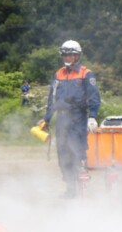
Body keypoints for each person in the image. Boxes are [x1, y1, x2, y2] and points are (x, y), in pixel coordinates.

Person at [39, 40, 101, 198]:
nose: (67, 57)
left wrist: (92, 116)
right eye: (65, 54)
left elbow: (94, 97)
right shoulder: (58, 74)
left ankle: (82, 186)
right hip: (61, 121)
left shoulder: (86, 73)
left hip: (78, 119)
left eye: (70, 54)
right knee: (63, 154)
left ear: (77, 55)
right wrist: (46, 119)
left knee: (77, 152)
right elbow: (51, 99)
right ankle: (70, 188)